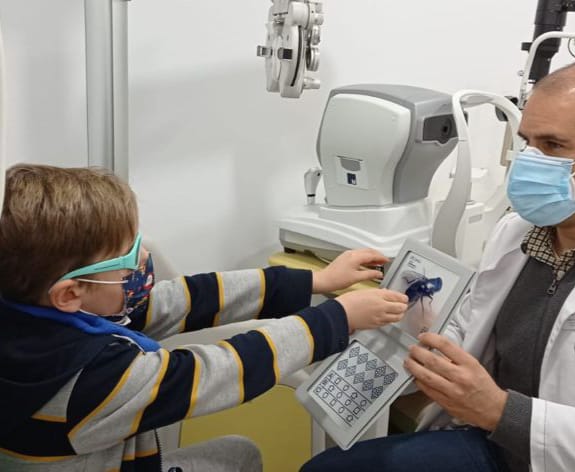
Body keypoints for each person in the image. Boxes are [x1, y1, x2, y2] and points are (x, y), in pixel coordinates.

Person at [301, 57, 575, 472]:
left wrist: (499, 410)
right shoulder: (516, 231)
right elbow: (471, 325)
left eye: (553, 145)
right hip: (493, 447)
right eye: (527, 143)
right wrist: (414, 341)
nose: (529, 163)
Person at [0, 164, 409, 471]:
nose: (143, 259)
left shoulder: (34, 320)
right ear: (70, 293)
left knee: (235, 451)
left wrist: (316, 281)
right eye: (126, 261)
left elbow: (186, 299)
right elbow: (221, 371)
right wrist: (337, 318)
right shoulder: (93, 379)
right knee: (241, 454)